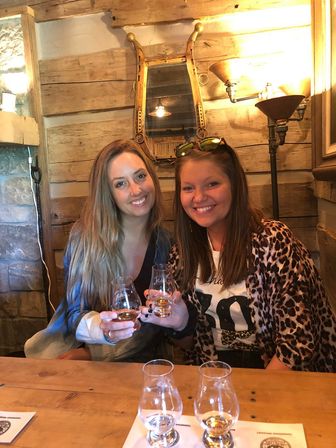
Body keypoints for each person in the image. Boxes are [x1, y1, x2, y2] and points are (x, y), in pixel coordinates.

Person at [142, 137, 336, 371]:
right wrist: (180, 323)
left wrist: (252, 397)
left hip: (278, 376)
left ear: (235, 184)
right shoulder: (181, 253)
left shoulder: (273, 241)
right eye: (188, 188)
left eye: (212, 184)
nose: (199, 197)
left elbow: (297, 346)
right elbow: (192, 346)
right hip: (215, 375)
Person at [24, 139, 181, 362]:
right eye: (120, 184)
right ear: (108, 193)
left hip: (138, 361)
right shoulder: (85, 237)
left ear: (151, 178)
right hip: (79, 359)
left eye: (140, 176)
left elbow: (159, 323)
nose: (136, 190)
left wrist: (91, 354)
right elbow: (74, 313)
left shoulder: (165, 243)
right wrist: (102, 331)